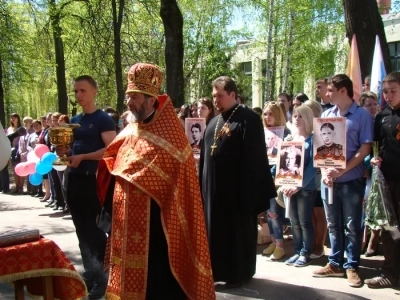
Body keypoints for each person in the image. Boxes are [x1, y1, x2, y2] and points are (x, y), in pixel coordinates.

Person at [96, 63, 215, 299]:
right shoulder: (130, 130)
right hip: (123, 223)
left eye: (135, 97)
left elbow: (180, 188)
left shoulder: (172, 136)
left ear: (151, 99)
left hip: (157, 228)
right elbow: (112, 162)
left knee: (156, 284)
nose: (129, 102)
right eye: (128, 96)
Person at [199, 76, 276, 287]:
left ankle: (239, 274)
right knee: (214, 233)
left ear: (232, 94)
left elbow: (255, 158)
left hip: (237, 194)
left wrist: (250, 196)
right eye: (214, 96)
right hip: (212, 194)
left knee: (236, 234)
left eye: (220, 96)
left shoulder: (248, 119)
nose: (216, 100)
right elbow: (206, 157)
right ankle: (215, 271)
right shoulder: (213, 122)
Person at [56, 75, 117, 299]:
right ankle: (91, 272)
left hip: (93, 180)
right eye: (76, 92)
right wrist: (67, 154)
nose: (78, 95)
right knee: (80, 228)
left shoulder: (103, 120)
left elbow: (111, 150)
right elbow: (73, 150)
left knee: (93, 228)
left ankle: (103, 277)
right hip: (74, 178)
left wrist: (83, 157)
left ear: (94, 92)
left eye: (82, 91)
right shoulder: (75, 120)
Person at [312, 74, 374, 288]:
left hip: (350, 181)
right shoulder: (327, 114)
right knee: (333, 224)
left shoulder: (362, 116)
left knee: (351, 226)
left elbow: (365, 148)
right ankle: (335, 262)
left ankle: (352, 265)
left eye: (330, 90)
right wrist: (327, 172)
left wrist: (341, 170)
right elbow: (320, 150)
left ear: (343, 91)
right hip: (329, 182)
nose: (326, 94)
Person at [364, 72, 400, 288]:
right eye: (385, 92)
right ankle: (390, 272)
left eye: (393, 91)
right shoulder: (382, 115)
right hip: (387, 181)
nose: (388, 96)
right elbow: (376, 146)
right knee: (388, 227)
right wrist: (375, 159)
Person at [283, 105, 317, 267]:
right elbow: (283, 165)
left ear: (308, 119)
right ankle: (297, 251)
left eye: (300, 116)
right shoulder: (289, 139)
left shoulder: (313, 140)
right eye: (295, 116)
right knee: (294, 223)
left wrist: (299, 185)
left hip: (306, 188)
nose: (296, 119)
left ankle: (305, 253)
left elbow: (313, 168)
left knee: (304, 222)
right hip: (289, 187)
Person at [261, 101, 290, 260]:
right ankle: (273, 240)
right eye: (265, 114)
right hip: (264, 173)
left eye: (271, 113)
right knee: (267, 210)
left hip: (278, 174)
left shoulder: (286, 133)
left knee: (274, 211)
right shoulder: (263, 132)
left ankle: (280, 245)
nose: (267, 117)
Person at [304, 100, 327, 259]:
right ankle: (311, 244)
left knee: (320, 214)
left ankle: (320, 245)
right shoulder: (303, 134)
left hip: (320, 180)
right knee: (310, 214)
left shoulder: (324, 132)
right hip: (307, 182)